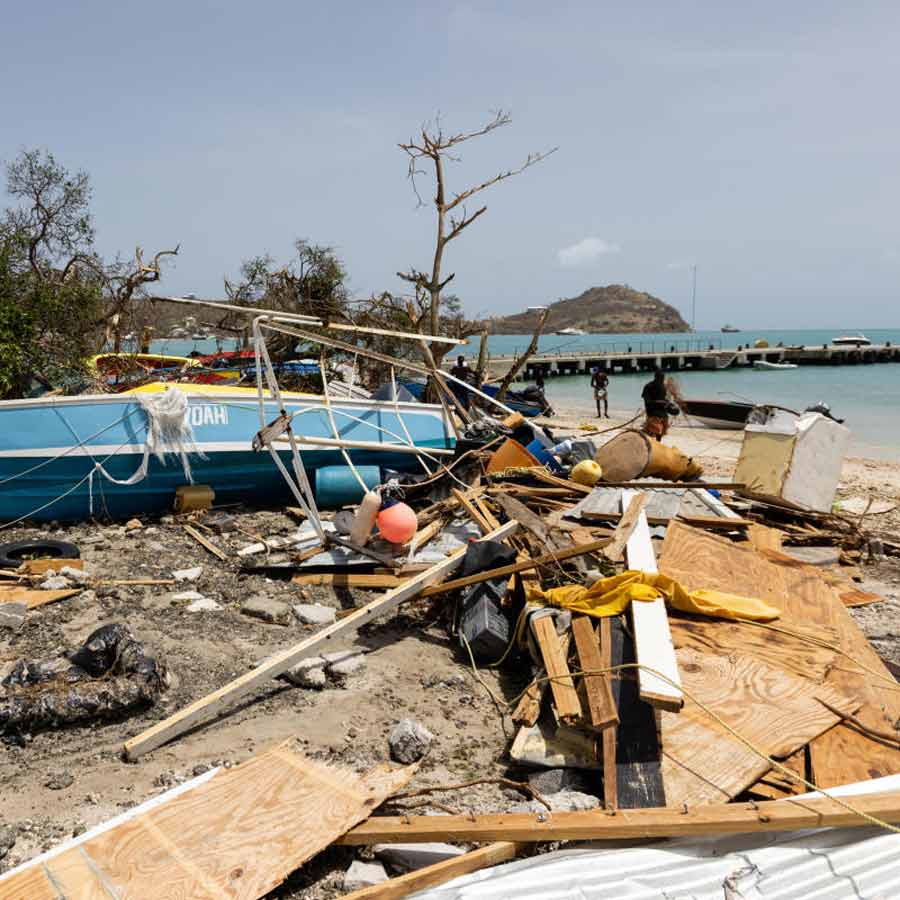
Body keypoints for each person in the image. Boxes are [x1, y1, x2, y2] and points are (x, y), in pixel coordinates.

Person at [641, 368, 670, 441]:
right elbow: (647, 401)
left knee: (662, 430)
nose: (662, 380)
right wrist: (659, 402)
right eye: (661, 378)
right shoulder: (648, 386)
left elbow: (664, 398)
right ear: (656, 378)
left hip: (662, 412)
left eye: (663, 378)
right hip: (653, 411)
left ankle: (658, 442)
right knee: (655, 430)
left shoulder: (663, 387)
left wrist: (667, 403)